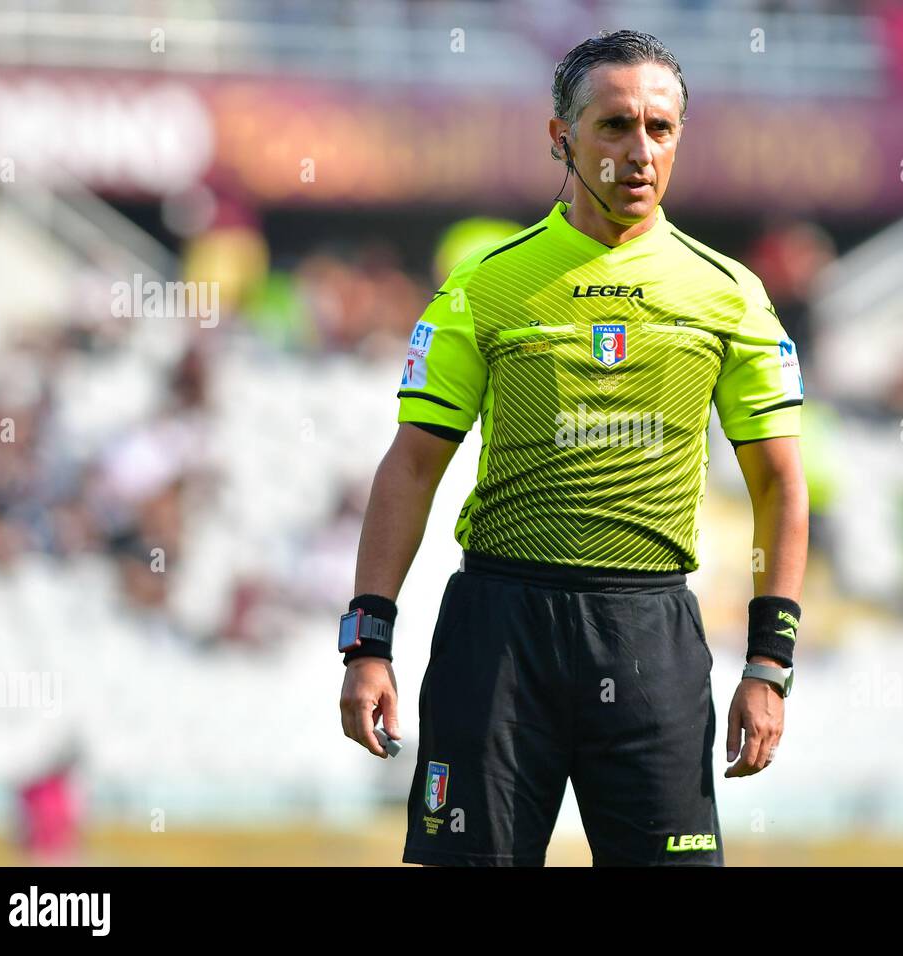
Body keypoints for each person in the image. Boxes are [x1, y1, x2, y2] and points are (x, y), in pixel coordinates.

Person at [338, 30, 808, 867]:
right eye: (615, 126)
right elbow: (411, 465)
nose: (640, 151)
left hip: (650, 635)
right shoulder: (488, 285)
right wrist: (367, 641)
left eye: (660, 129)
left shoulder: (728, 293)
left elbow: (779, 483)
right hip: (499, 637)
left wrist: (769, 663)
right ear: (561, 136)